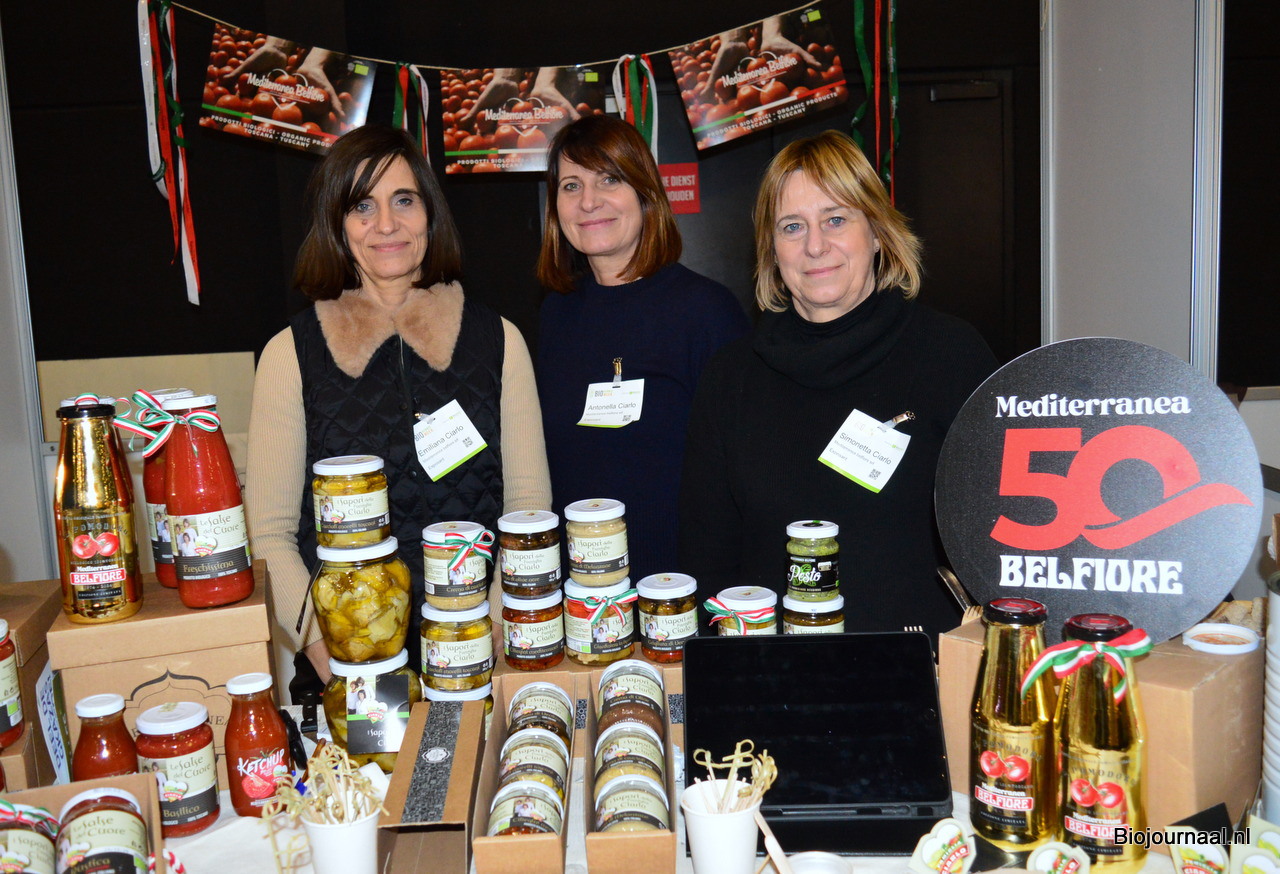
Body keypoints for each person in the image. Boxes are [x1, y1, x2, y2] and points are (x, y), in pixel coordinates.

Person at [246, 124, 551, 682]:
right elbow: (269, 534)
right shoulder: (290, 354)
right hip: (348, 662)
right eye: (362, 206)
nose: (386, 224)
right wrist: (327, 649)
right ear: (337, 224)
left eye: (404, 200)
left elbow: (527, 506)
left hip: (484, 648)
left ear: (430, 214)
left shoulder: (499, 341)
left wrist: (498, 628)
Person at [677, 130, 998, 640]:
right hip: (771, 670)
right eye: (792, 226)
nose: (815, 245)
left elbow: (999, 540)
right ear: (771, 249)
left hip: (919, 669)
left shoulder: (951, 356)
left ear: (877, 232)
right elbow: (707, 555)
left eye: (835, 219)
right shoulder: (730, 377)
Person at [536, 116, 749, 580]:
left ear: (645, 192)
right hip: (580, 590)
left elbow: (742, 476)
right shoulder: (555, 315)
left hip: (677, 590)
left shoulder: (706, 312)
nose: (588, 201)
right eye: (571, 186)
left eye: (609, 179)